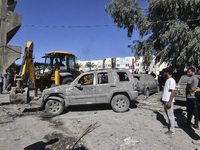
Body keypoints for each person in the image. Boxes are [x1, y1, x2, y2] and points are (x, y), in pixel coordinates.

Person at [162, 68, 176, 135]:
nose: (163, 74)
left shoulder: (172, 80)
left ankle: (172, 129)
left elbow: (173, 92)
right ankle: (170, 125)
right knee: (168, 114)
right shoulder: (167, 80)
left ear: (167, 72)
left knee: (171, 115)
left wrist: (170, 101)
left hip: (168, 101)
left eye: (164, 72)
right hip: (166, 100)